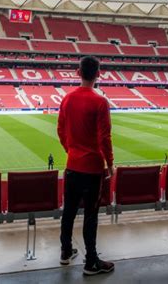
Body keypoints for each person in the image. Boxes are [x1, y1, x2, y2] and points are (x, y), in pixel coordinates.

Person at [57, 56, 115, 276]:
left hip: (72, 165)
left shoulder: (67, 99)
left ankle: (65, 252)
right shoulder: (100, 101)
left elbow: (61, 131)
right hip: (92, 169)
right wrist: (109, 164)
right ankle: (91, 262)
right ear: (98, 74)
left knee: (69, 212)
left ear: (77, 72)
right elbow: (104, 137)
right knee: (91, 215)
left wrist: (71, 152)